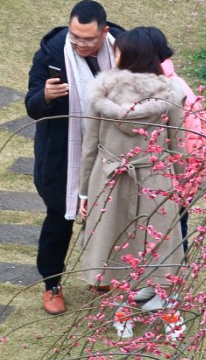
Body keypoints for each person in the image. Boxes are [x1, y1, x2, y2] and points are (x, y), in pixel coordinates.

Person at [76, 28, 188, 341]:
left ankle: (122, 313)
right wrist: (183, 184)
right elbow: (178, 144)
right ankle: (169, 314)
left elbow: (90, 146)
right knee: (161, 246)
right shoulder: (171, 94)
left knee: (114, 245)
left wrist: (84, 191)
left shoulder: (100, 93)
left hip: (109, 178)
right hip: (156, 178)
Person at [24, 0, 124, 316]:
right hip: (63, 154)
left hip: (110, 152)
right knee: (59, 220)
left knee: (106, 216)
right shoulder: (51, 54)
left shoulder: (124, 49)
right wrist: (45, 97)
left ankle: (100, 274)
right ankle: (52, 284)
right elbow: (31, 106)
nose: (81, 44)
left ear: (104, 33)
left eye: (88, 39)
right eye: (75, 36)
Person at [142, 26, 206, 252]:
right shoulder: (164, 83)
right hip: (173, 181)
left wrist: (181, 186)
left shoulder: (172, 90)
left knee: (173, 239)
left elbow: (189, 142)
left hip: (175, 182)